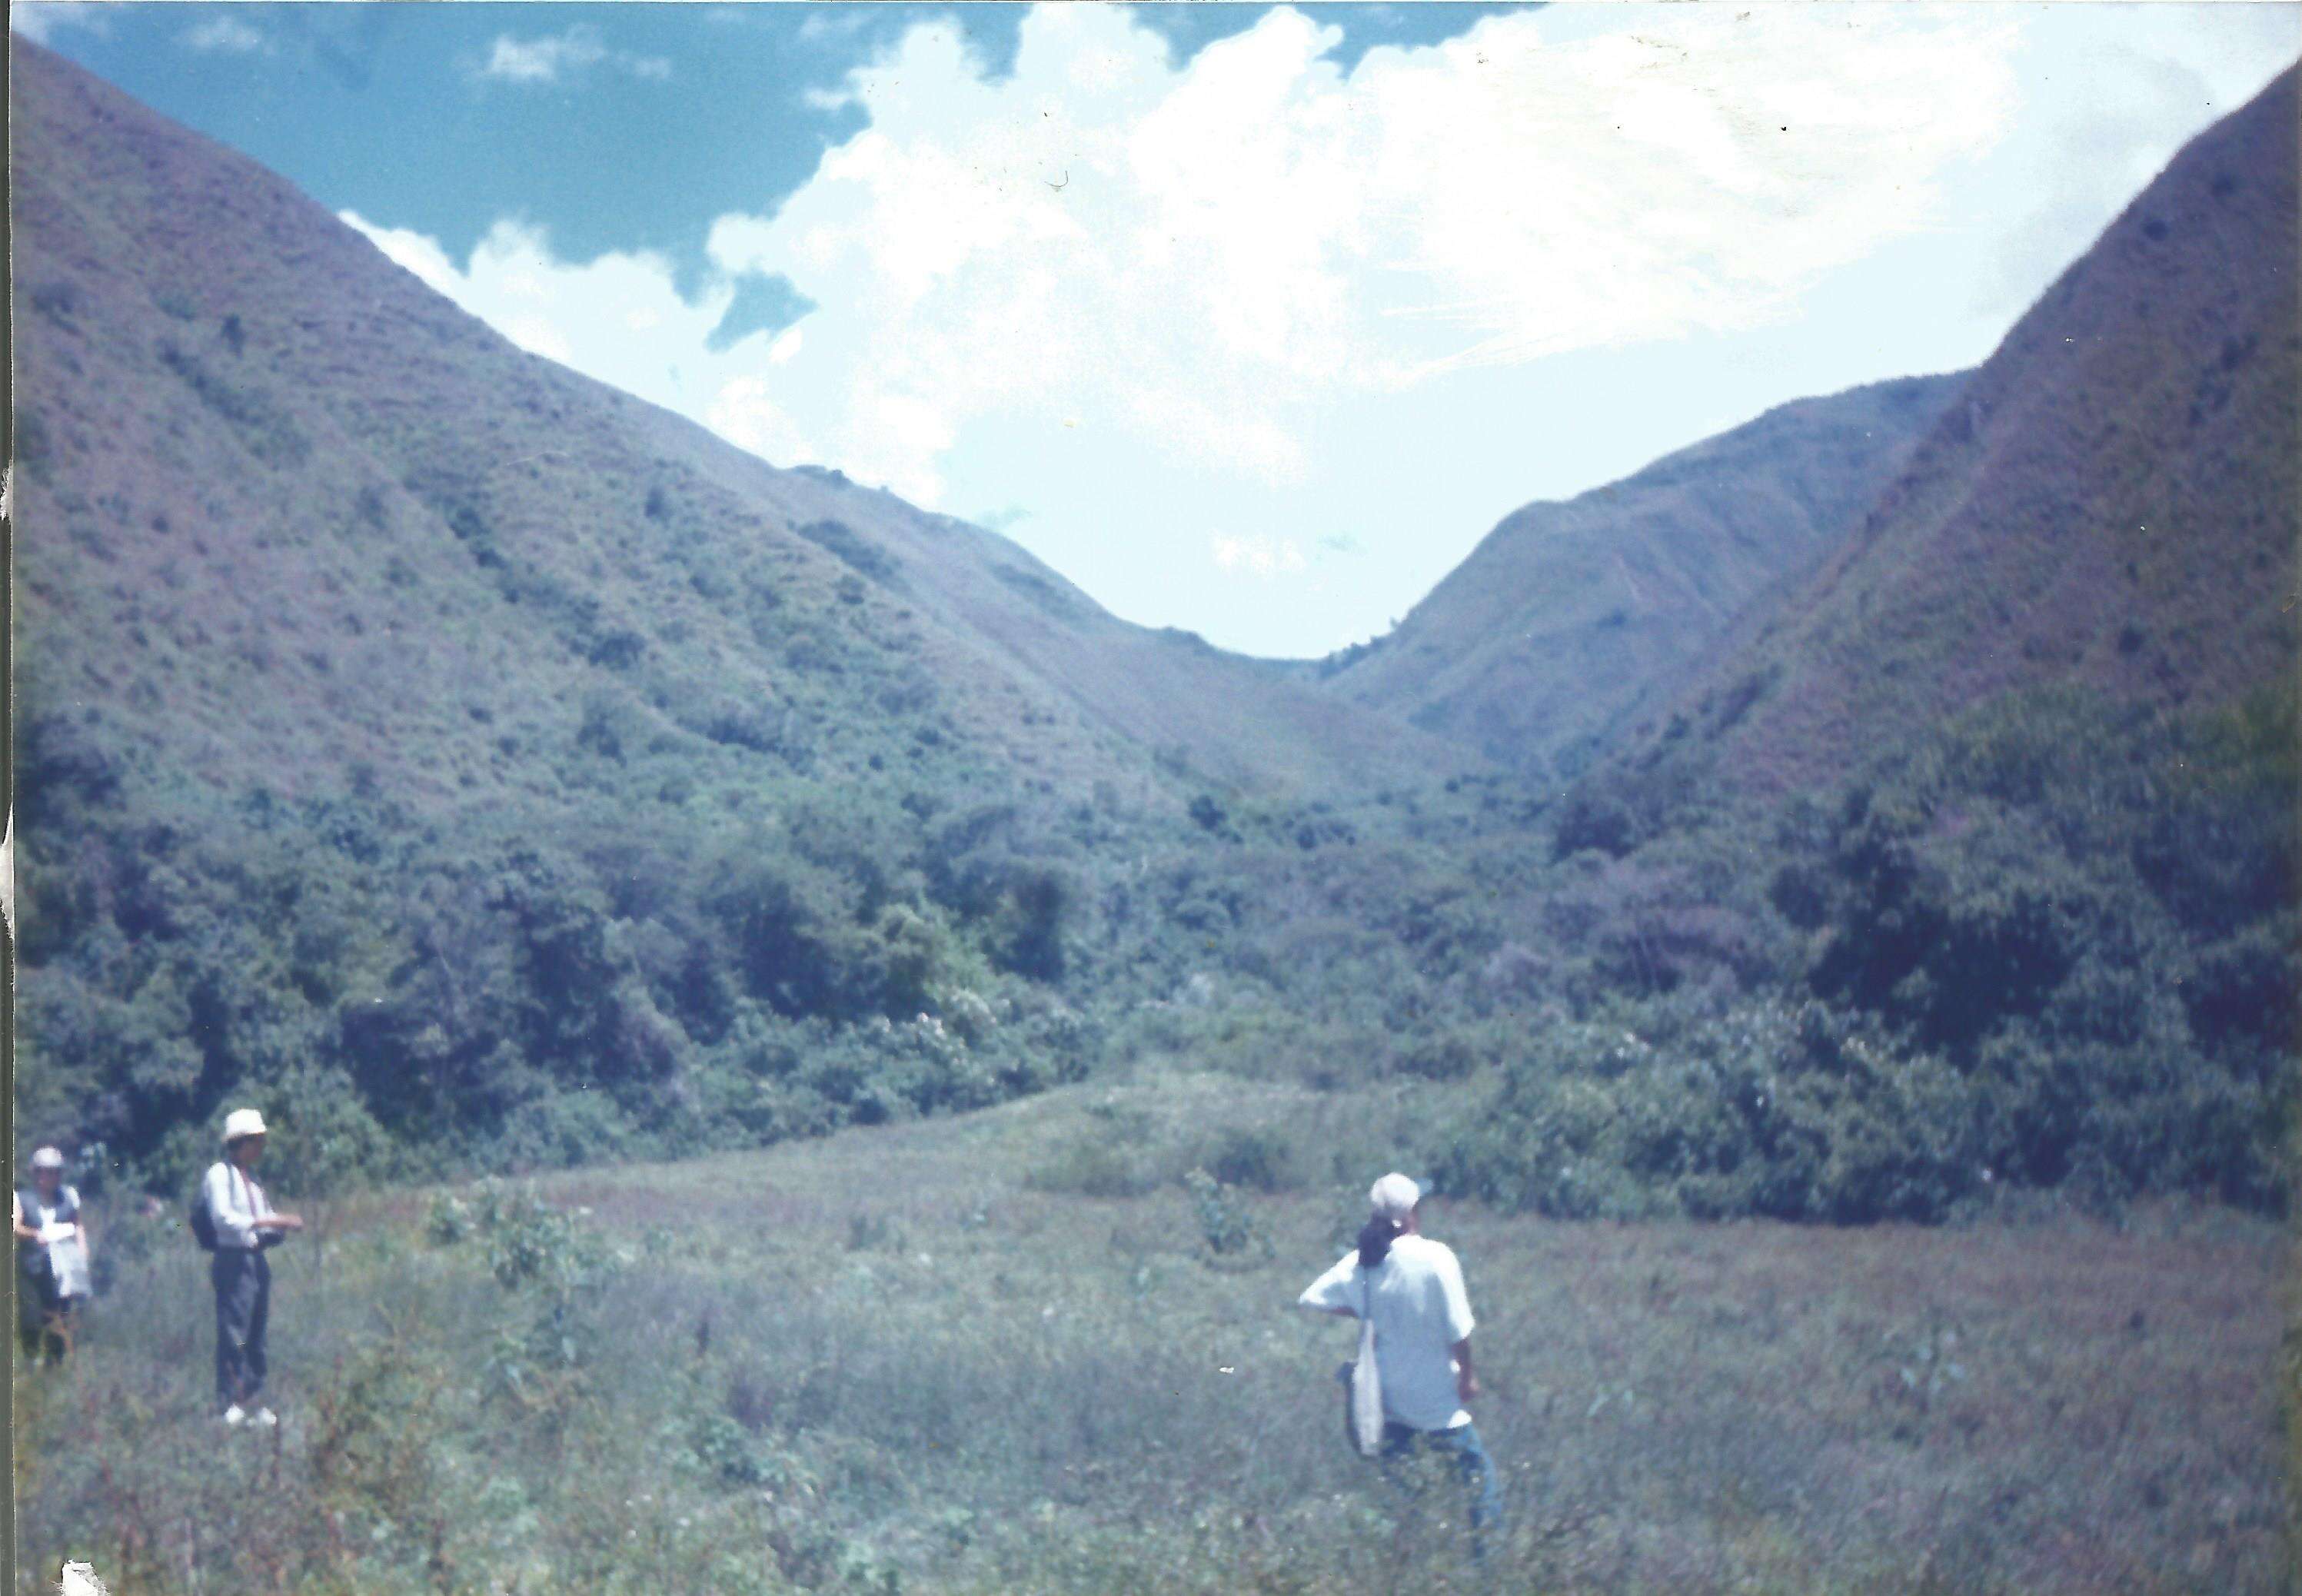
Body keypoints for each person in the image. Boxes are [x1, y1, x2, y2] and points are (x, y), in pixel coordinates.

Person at [1299, 1172, 1502, 1560]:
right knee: (1481, 1482)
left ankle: (1404, 1564)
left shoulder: (1365, 1264)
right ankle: (1485, 1566)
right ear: (1412, 1212)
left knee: (1405, 1498)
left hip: (1390, 1403)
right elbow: (1459, 1333)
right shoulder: (1437, 1258)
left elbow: (1312, 1298)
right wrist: (1469, 1379)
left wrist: (1364, 1310)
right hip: (1438, 1403)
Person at [204, 1109, 304, 1426]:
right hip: (232, 1259)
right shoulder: (219, 1175)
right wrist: (271, 1220)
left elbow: (262, 1215)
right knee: (234, 1331)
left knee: (256, 1332)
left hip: (255, 1258)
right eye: (257, 1141)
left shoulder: (253, 1179)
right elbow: (223, 1218)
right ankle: (229, 1402)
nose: (262, 1147)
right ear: (242, 1142)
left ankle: (253, 1398)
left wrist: (277, 1226)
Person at [14, 1147, 91, 1363]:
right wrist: (34, 1234)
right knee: (30, 1318)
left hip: (62, 1267)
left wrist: (83, 1250)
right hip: (32, 1267)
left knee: (59, 1316)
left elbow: (78, 1225)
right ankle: (30, 1359)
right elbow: (15, 1227)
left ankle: (54, 1363)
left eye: (57, 1171)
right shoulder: (22, 1198)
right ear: (37, 1173)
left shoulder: (68, 1196)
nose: (53, 1176)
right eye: (48, 1171)